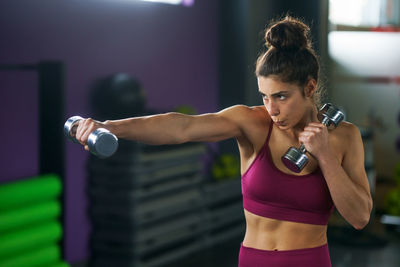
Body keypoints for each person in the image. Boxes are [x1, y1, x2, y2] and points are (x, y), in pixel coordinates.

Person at [75, 16, 372, 267]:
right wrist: (108, 126)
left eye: (281, 96)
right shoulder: (252, 123)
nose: (272, 110)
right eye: (265, 97)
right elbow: (182, 127)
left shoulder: (344, 137)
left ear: (309, 87)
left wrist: (325, 157)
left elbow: (359, 217)